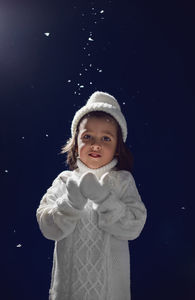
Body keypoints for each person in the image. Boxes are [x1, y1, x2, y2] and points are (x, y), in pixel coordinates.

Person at [36, 91, 147, 300]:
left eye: (106, 138)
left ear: (117, 148)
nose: (96, 144)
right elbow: (47, 226)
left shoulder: (122, 181)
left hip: (111, 293)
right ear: (76, 143)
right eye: (88, 136)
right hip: (67, 292)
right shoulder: (65, 181)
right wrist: (71, 202)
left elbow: (134, 226)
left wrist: (104, 199)